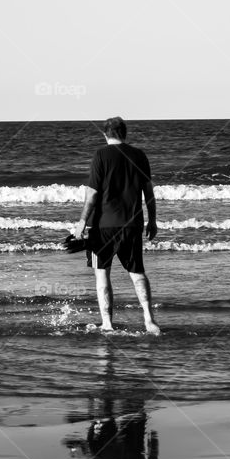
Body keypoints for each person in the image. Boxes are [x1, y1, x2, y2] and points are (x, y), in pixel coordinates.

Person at [77, 116, 161, 335]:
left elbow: (93, 194)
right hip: (132, 224)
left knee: (102, 273)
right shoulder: (139, 155)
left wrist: (81, 222)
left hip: (102, 227)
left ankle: (107, 322)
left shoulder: (101, 155)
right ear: (124, 133)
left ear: (105, 134)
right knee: (137, 272)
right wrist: (152, 221)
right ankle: (149, 319)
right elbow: (149, 193)